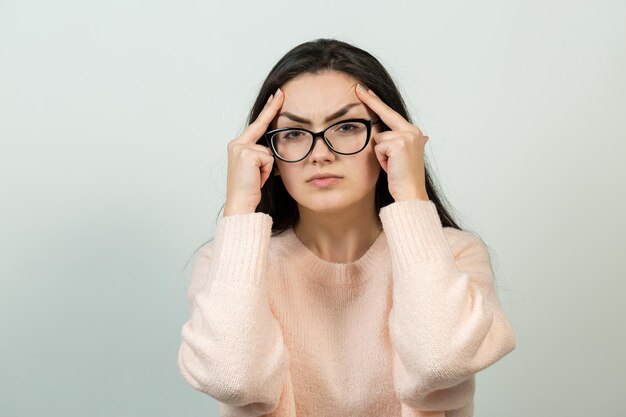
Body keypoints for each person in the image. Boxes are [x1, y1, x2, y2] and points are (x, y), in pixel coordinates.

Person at [177, 38, 516, 417]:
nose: (321, 153)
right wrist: (239, 208)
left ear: (388, 137)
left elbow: (439, 362)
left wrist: (410, 194)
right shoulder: (225, 263)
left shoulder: (455, 254)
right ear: (267, 150)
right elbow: (233, 380)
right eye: (292, 133)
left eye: (346, 127)